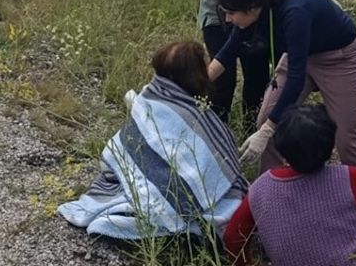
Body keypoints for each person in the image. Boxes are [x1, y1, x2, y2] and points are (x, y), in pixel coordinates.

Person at [58, 41, 248, 241]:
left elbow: (115, 155)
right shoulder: (198, 115)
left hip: (156, 192)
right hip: (184, 198)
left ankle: (152, 215)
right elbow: (227, 168)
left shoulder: (146, 100)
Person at [223, 105, 356, 266]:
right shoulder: (348, 178)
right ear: (330, 147)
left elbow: (232, 238)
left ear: (281, 148)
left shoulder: (260, 188)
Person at [209, 0, 356, 172]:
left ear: (251, 7)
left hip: (337, 57)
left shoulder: (295, 12)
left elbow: (295, 80)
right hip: (299, 52)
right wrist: (194, 86)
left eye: (231, 13)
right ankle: (272, 184)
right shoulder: (255, 10)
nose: (228, 19)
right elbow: (228, 52)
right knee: (267, 117)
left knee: (345, 135)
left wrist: (268, 130)